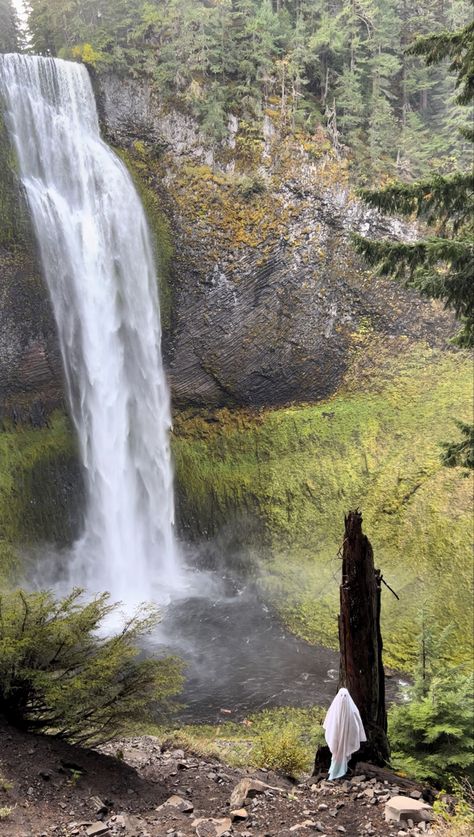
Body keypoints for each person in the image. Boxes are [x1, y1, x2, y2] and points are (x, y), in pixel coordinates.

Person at [323, 687, 366, 780]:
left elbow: (356, 725)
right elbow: (329, 723)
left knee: (343, 752)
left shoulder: (353, 710)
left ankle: (340, 771)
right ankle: (334, 770)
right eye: (341, 696)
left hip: (346, 738)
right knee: (335, 752)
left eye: (345, 696)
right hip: (336, 737)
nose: (343, 698)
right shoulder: (334, 709)